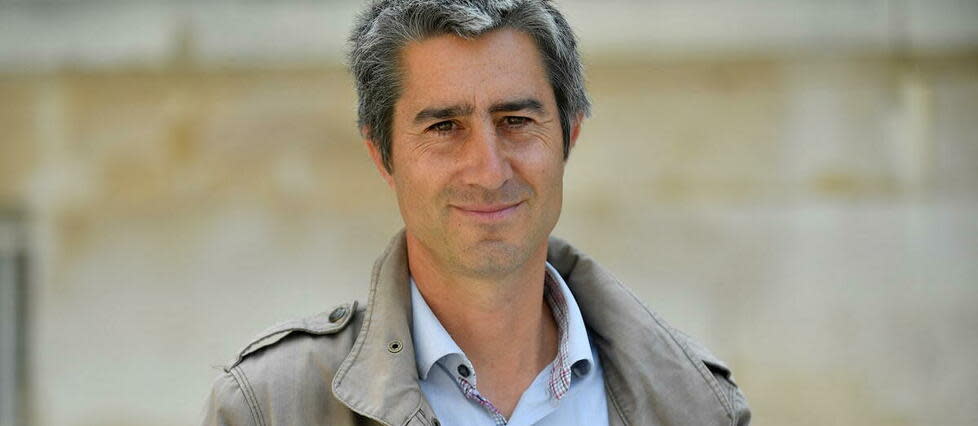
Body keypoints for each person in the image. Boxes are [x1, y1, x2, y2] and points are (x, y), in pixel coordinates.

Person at [203, 1, 751, 425]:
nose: (489, 171)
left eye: (515, 119)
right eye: (443, 127)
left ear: (569, 136)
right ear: (383, 155)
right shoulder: (272, 406)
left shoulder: (696, 404)